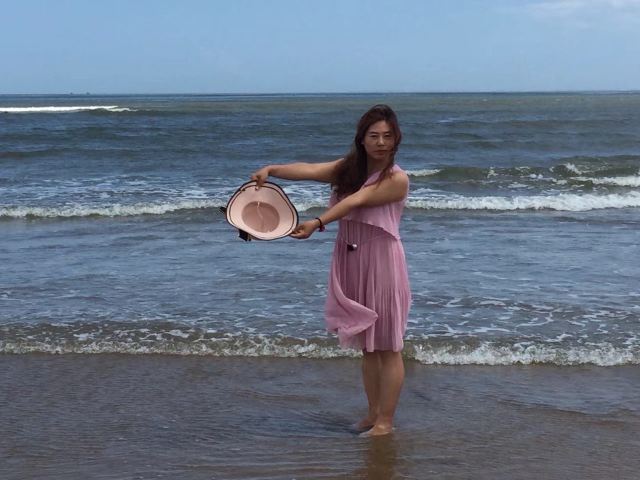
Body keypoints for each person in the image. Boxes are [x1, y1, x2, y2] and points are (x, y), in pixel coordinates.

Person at [251, 104, 411, 437]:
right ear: (362, 139)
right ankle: (372, 414)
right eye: (374, 136)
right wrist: (272, 170)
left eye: (387, 136)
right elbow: (309, 169)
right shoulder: (348, 169)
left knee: (387, 346)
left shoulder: (397, 179)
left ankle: (386, 422)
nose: (381, 143)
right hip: (352, 257)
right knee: (368, 346)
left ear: (396, 140)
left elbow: (356, 201)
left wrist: (317, 222)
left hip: (382, 261)